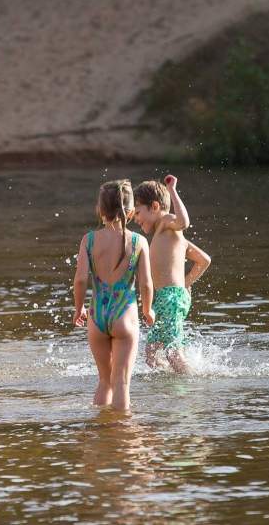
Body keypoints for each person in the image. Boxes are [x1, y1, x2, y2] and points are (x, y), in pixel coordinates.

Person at [72, 180, 155, 411]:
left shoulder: (88, 240)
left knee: (104, 381)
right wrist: (148, 310)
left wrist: (78, 309)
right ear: (130, 211)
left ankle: (102, 436)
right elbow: (146, 284)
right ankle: (123, 439)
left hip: (97, 316)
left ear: (100, 210)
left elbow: (80, 279)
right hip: (124, 315)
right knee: (122, 383)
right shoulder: (139, 242)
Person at [133, 175, 212, 374]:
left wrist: (172, 191)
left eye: (138, 212)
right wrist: (185, 285)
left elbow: (183, 222)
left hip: (171, 298)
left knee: (172, 353)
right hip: (165, 299)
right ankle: (174, 384)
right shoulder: (172, 238)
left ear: (155, 206)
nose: (136, 218)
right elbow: (204, 260)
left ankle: (189, 386)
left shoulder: (167, 222)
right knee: (151, 356)